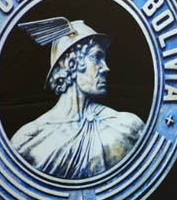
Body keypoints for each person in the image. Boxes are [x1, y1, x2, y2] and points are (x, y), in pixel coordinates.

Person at [11, 18, 145, 179]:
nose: (106, 68)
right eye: (97, 57)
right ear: (71, 63)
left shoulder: (127, 127)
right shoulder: (28, 141)